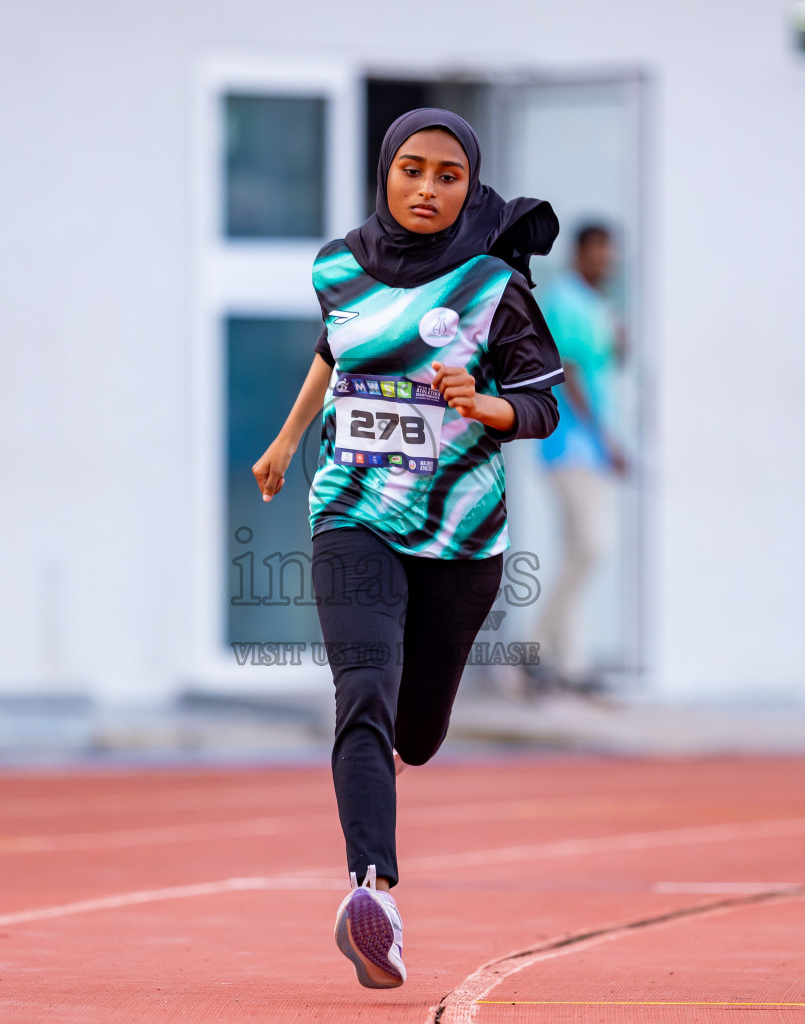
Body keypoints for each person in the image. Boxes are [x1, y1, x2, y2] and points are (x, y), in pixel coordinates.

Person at [251, 108, 562, 989]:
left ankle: (389, 781)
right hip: (351, 508)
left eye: (448, 176)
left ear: (469, 187)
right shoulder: (336, 267)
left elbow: (540, 405)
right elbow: (334, 348)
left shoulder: (493, 285)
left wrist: (485, 403)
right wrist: (287, 440)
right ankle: (374, 896)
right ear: (385, 173)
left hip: (461, 540)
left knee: (415, 735)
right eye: (412, 171)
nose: (427, 189)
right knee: (363, 693)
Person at [532, 223, 628, 693]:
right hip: (571, 445)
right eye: (600, 252)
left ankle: (569, 665)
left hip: (592, 447)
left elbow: (609, 364)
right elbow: (567, 373)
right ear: (581, 252)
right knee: (593, 546)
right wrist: (606, 439)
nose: (607, 261)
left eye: (611, 253)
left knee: (578, 553)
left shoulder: (597, 305)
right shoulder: (564, 301)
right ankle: (535, 647)